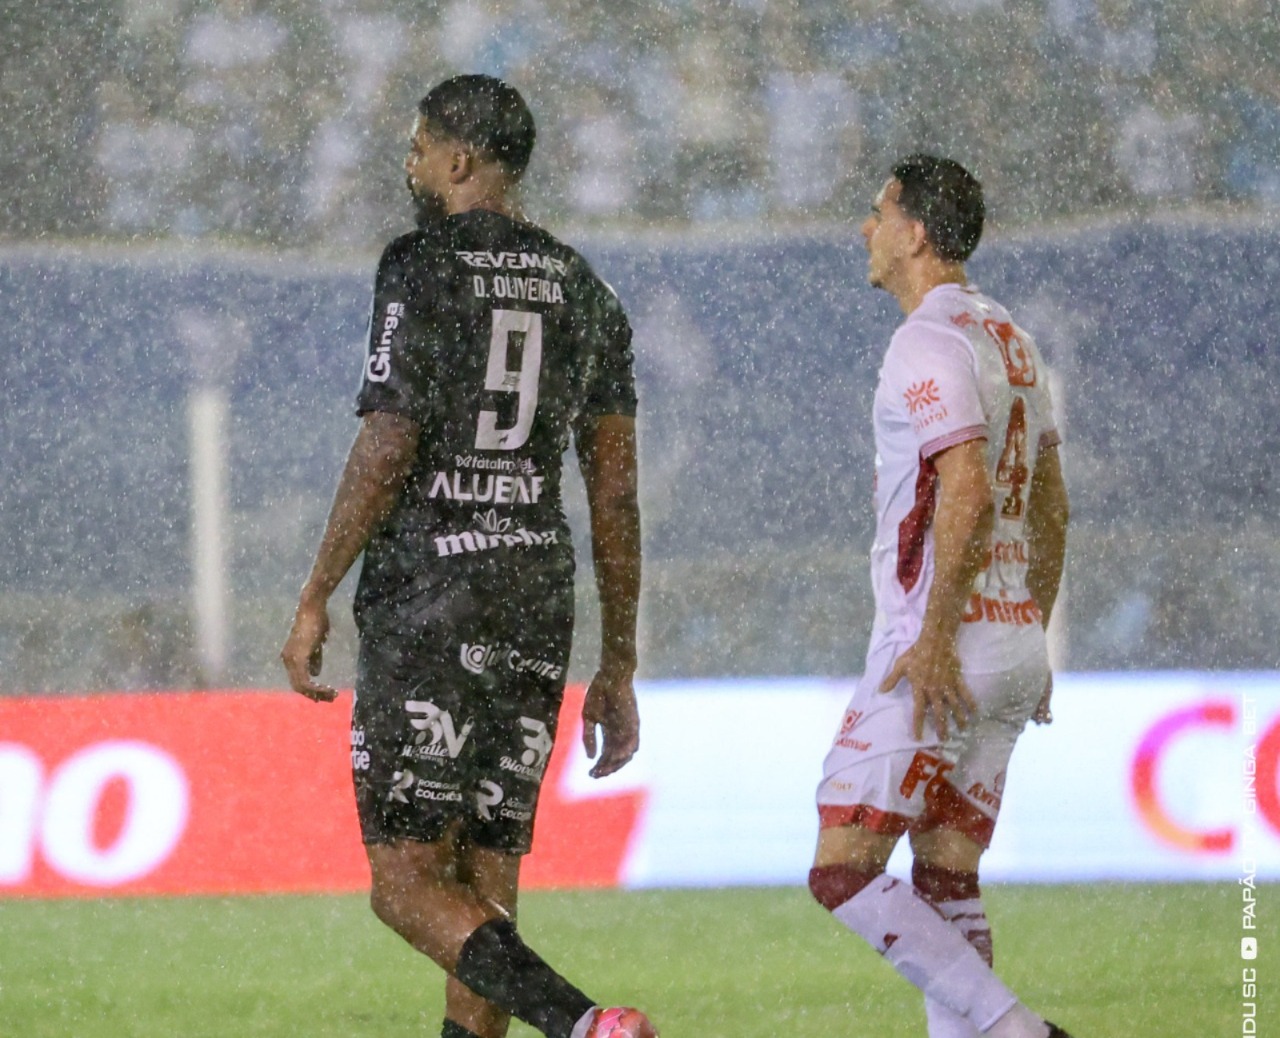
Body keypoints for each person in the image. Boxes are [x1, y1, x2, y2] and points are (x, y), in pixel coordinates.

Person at [281, 74, 656, 1038]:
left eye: (417, 147)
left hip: (434, 592)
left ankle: (586, 1026)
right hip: (536, 591)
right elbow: (612, 490)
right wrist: (617, 658)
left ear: (458, 161)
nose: (409, 164)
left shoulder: (419, 265)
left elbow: (388, 437)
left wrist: (318, 589)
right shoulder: (588, 288)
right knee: (486, 887)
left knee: (406, 886)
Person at [808, 155, 1074, 1038]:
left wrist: (930, 638)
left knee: (842, 868)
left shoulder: (926, 338)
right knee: (947, 876)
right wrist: (1029, 622)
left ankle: (1018, 1031)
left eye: (878, 212)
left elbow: (963, 485)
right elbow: (1049, 502)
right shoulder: (1012, 338)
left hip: (943, 647)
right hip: (1009, 643)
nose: (866, 230)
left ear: (916, 232)